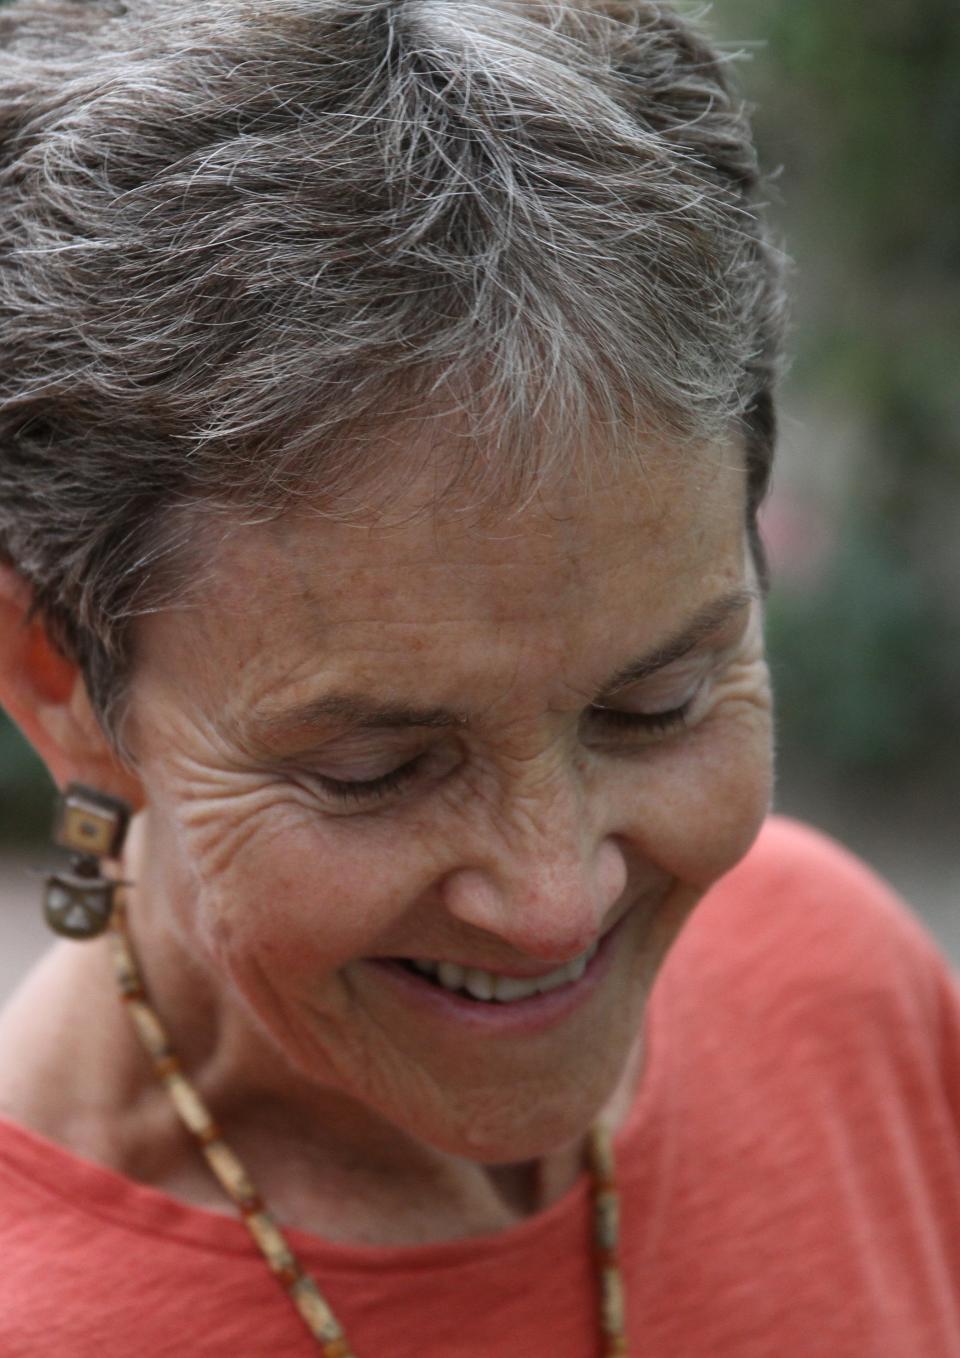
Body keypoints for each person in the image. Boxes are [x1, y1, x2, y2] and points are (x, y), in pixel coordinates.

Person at [0, 1, 958, 1355]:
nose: (554, 895)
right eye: (373, 769)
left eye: (657, 705)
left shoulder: (838, 996)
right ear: (58, 681)